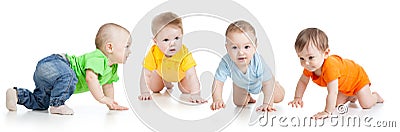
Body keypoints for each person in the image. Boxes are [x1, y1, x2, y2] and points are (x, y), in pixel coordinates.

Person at [5, 23, 131, 115]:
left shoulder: (113, 68)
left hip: (52, 79)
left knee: (41, 103)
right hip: (56, 64)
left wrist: (111, 103)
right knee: (70, 76)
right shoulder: (99, 57)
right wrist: (102, 98)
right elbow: (90, 77)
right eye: (127, 46)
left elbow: (108, 86)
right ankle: (57, 105)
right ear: (109, 47)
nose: (130, 51)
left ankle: (16, 95)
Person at [288, 28, 384, 119]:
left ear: (325, 53)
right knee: (337, 104)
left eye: (311, 57)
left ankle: (375, 97)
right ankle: (352, 95)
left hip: (357, 79)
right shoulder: (310, 66)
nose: (306, 63)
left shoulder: (330, 67)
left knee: (366, 104)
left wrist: (327, 111)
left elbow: (332, 92)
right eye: (301, 58)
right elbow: (303, 82)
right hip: (344, 85)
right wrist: (298, 97)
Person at [210, 20, 285, 112]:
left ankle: (276, 85)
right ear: (227, 48)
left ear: (254, 47)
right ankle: (248, 97)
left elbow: (267, 83)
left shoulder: (258, 62)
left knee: (278, 97)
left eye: (246, 47)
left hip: (263, 83)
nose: (241, 52)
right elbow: (218, 82)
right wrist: (217, 99)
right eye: (234, 47)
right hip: (240, 84)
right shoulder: (226, 62)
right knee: (239, 103)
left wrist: (267, 104)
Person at [137, 12, 206, 103]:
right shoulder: (153, 53)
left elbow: (191, 75)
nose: (172, 43)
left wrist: (196, 94)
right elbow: (146, 74)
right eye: (166, 40)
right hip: (161, 73)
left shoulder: (184, 54)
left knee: (186, 90)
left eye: (177, 38)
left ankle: (173, 83)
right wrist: (145, 92)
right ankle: (165, 81)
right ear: (155, 41)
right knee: (155, 89)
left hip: (181, 76)